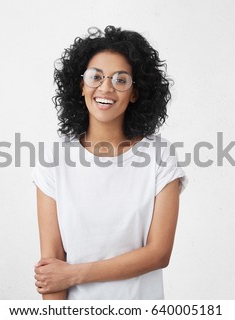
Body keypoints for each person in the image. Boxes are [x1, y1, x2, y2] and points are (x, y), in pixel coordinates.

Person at [32, 26, 188, 300]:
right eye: (95, 77)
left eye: (121, 80)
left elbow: (159, 254)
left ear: (136, 92)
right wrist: (63, 278)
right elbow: (52, 267)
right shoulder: (52, 162)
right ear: (81, 85)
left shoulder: (160, 157)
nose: (106, 88)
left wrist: (75, 273)